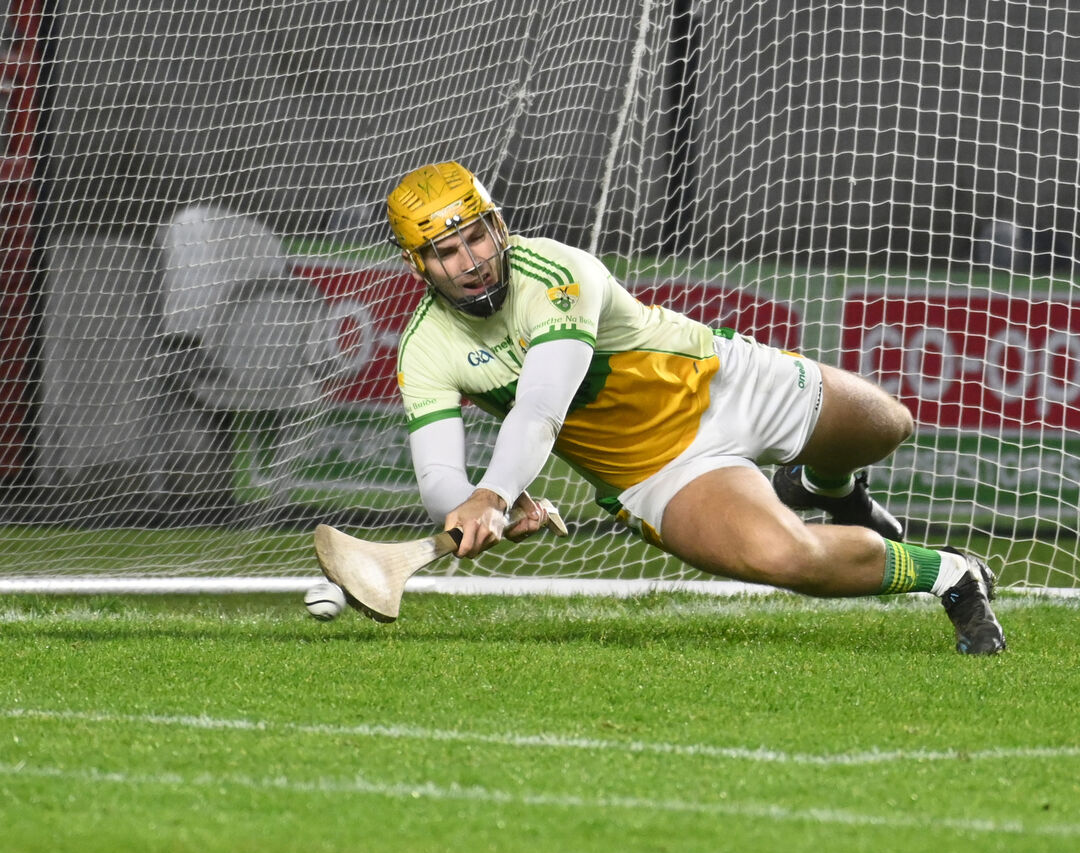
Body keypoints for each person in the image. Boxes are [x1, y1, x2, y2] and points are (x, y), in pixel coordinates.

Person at [385, 160, 1006, 655]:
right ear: (420, 266)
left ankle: (824, 483)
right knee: (787, 558)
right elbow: (440, 481)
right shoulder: (424, 349)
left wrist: (491, 492)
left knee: (887, 428)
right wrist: (483, 508)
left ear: (498, 226)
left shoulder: (556, 271)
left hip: (722, 382)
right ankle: (952, 575)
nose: (472, 263)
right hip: (654, 474)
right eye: (447, 252)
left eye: (477, 237)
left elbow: (540, 408)